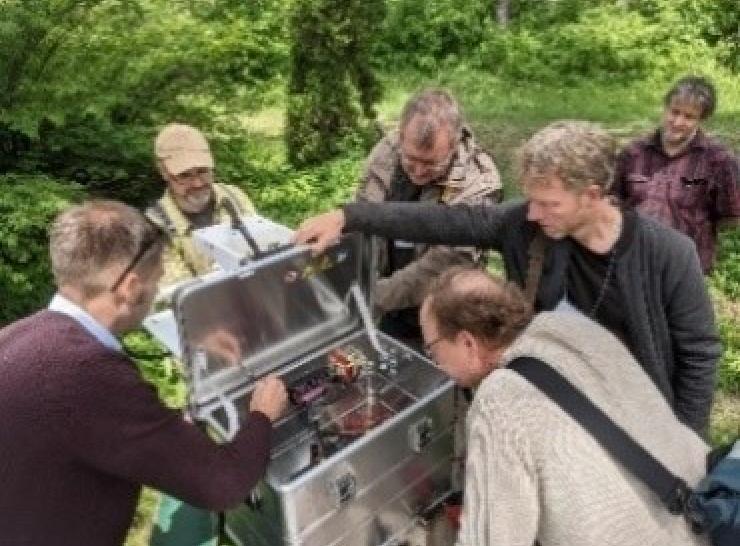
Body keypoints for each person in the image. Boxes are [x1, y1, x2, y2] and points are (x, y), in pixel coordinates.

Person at [294, 120, 721, 434]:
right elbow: (439, 222)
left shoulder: (668, 254)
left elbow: (699, 354)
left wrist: (685, 441)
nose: (533, 214)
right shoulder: (525, 227)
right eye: (530, 201)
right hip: (555, 409)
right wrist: (349, 215)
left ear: (592, 195)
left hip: (632, 416)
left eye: (548, 203)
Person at [0, 200, 287, 546]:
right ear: (132, 286)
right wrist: (261, 416)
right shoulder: (87, 374)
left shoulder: (17, 337)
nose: (155, 293)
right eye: (156, 282)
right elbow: (222, 485)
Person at [419, 267, 708, 546]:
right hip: (709, 514)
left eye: (432, 349)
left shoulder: (498, 403)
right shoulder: (573, 328)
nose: (435, 362)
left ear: (468, 342)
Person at [357, 89, 502, 344]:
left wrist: (372, 298)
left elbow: (443, 265)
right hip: (385, 297)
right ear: (401, 136)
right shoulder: (385, 153)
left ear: (455, 144)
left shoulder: (479, 183)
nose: (419, 171)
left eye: (432, 163)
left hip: (445, 314)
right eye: (411, 159)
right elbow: (364, 217)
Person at [613, 76, 740, 273]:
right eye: (674, 112)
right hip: (634, 262)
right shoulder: (633, 153)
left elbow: (730, 215)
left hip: (686, 268)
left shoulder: (718, 161)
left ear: (701, 119)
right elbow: (614, 202)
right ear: (665, 108)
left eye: (689, 117)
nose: (678, 122)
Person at [146, 122, 257, 290]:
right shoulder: (155, 225)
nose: (197, 183)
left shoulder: (234, 196)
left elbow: (261, 247)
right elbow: (181, 292)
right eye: (184, 175)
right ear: (164, 173)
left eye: (203, 171)